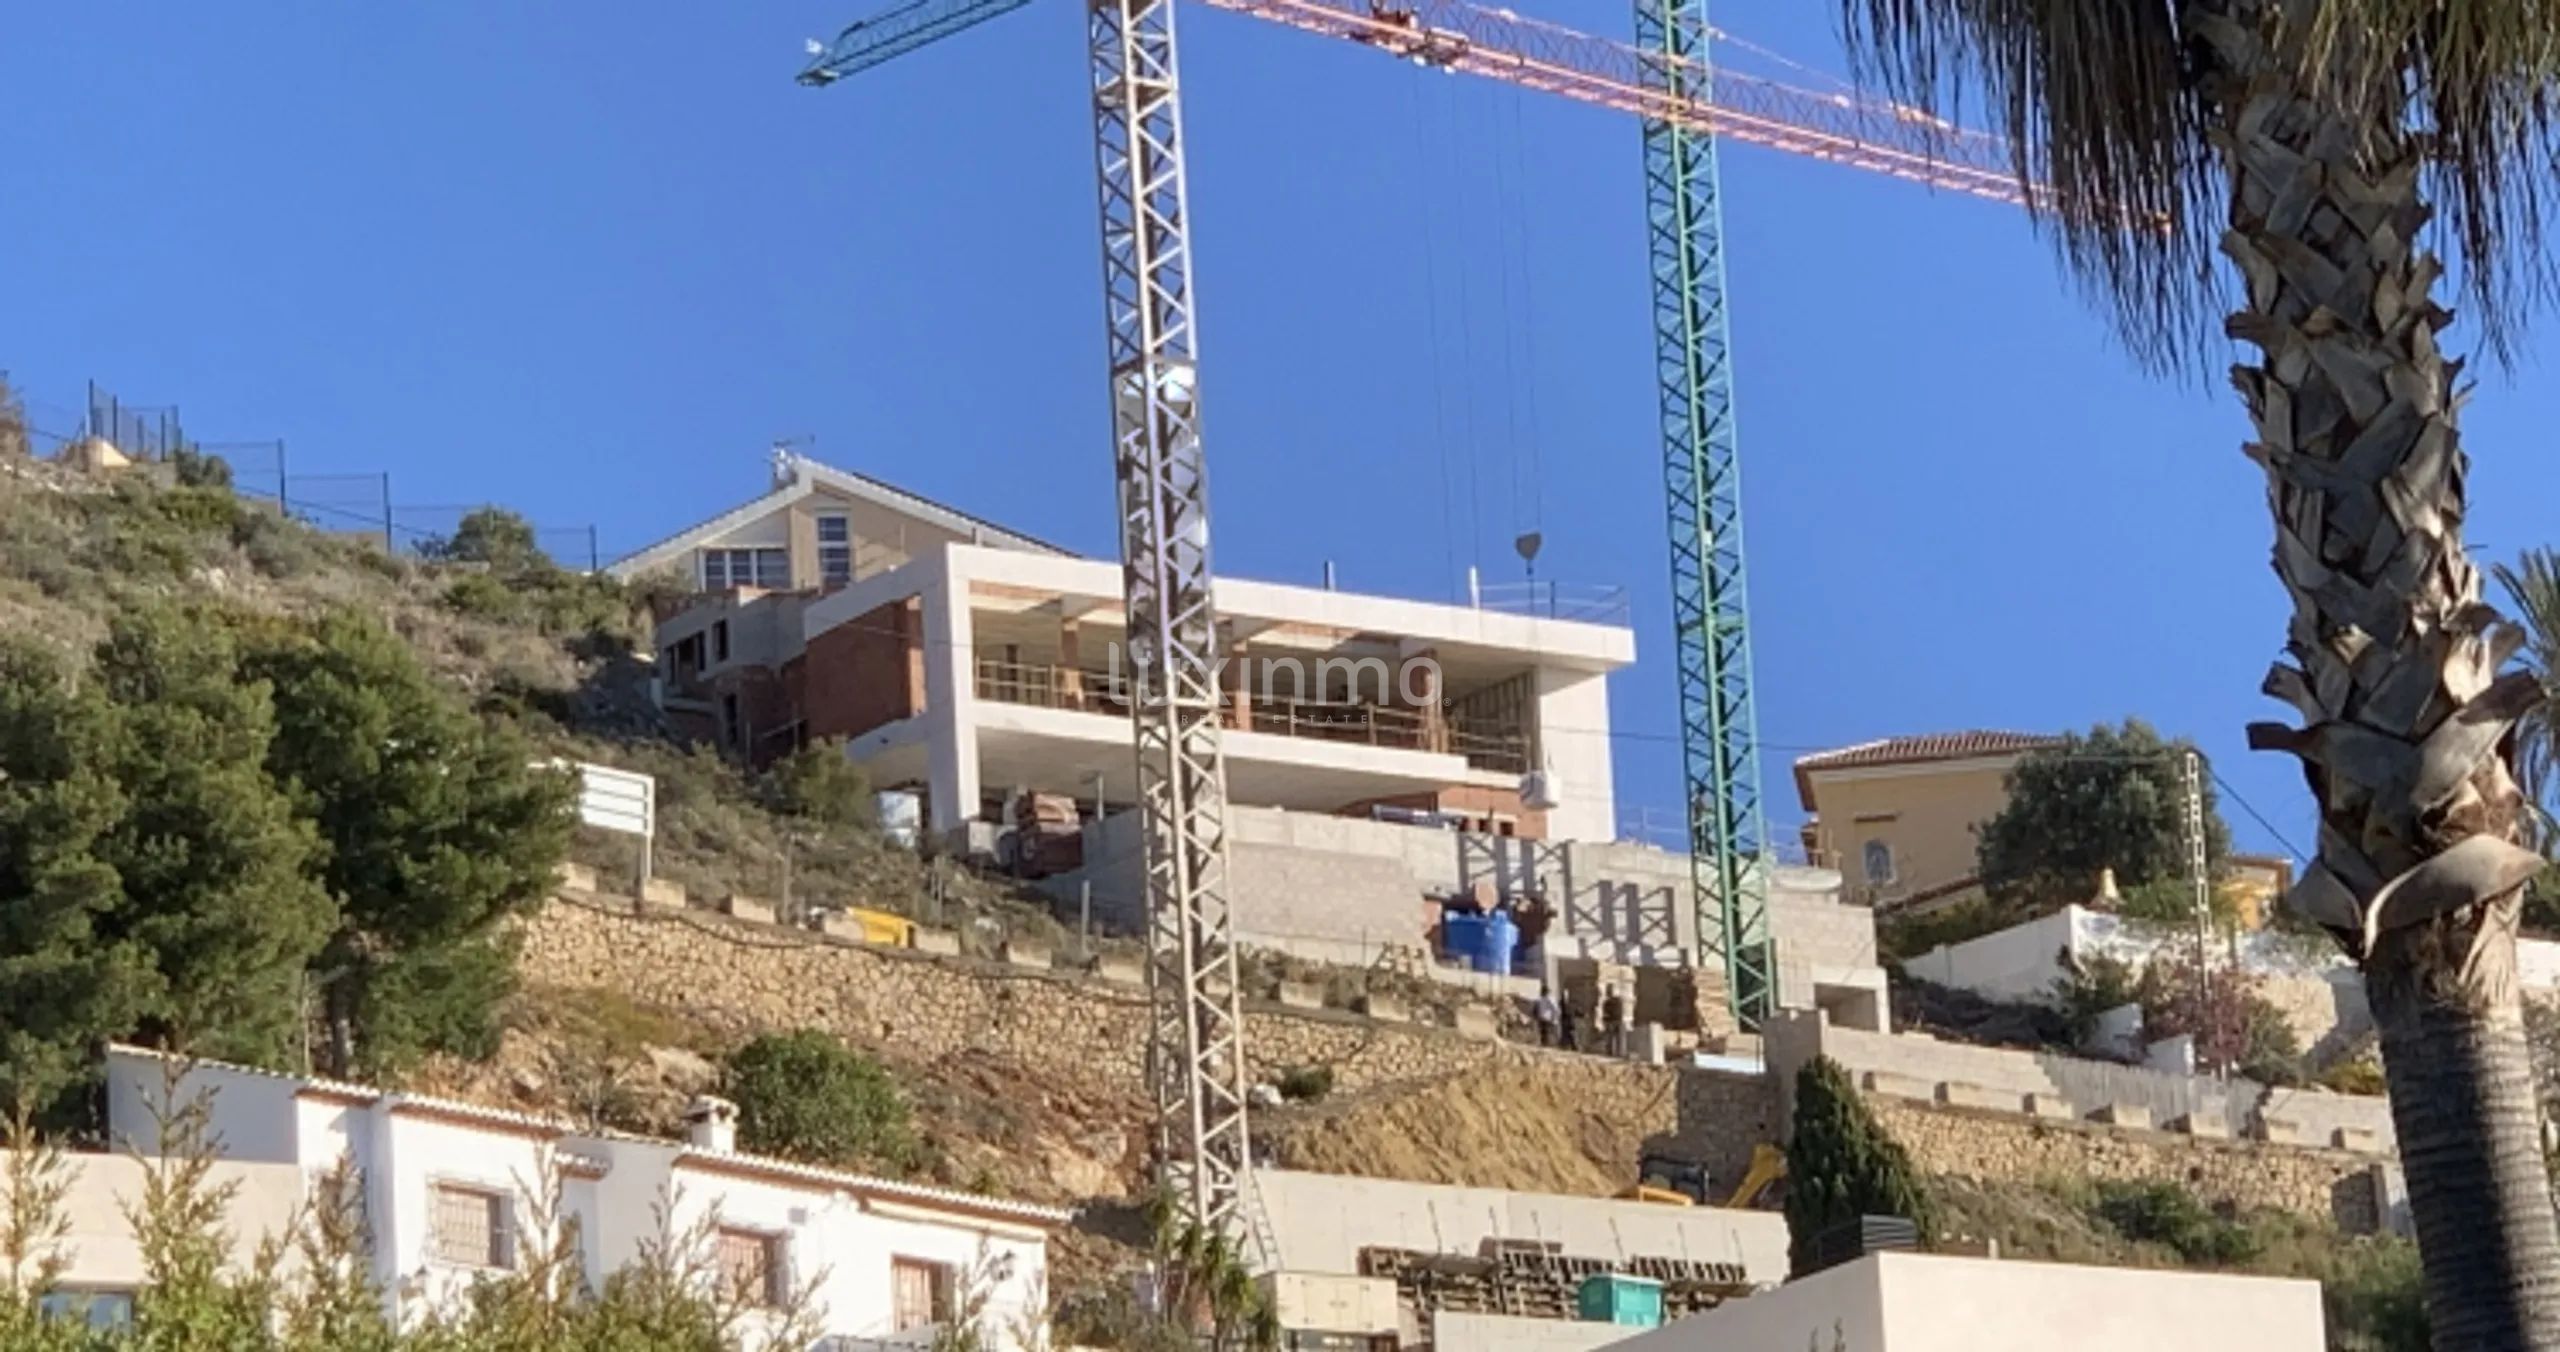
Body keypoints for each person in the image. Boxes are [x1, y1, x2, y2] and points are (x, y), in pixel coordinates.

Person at [1601, 985, 1628, 1058]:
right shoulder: (1616, 1001)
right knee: (1615, 1039)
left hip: (1613, 1021)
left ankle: (1615, 1053)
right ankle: (1617, 1053)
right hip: (1615, 1021)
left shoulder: (1611, 1002)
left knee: (1613, 1038)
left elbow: (1606, 1013)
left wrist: (1605, 1021)